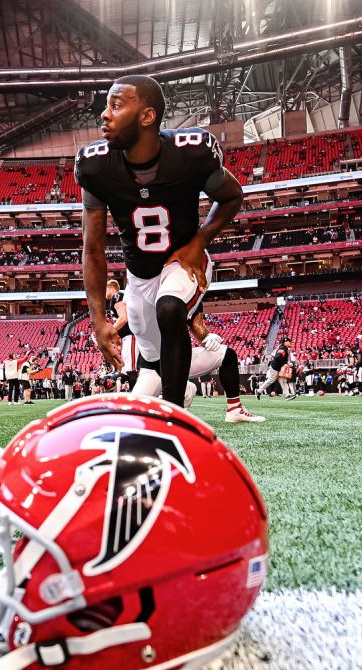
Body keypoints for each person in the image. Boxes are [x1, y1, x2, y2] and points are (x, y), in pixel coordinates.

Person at [78, 74, 245, 407]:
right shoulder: (95, 166)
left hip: (181, 263)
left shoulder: (189, 153)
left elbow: (232, 195)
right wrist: (98, 320)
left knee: (170, 309)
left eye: (117, 105)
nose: (104, 114)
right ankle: (182, 391)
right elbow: (93, 249)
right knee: (152, 364)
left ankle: (175, 418)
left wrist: (199, 242)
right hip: (139, 277)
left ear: (146, 116)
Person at [134, 310, 265, 422]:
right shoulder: (149, 289)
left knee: (228, 354)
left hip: (180, 359)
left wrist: (207, 336)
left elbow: (196, 323)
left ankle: (234, 409)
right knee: (133, 415)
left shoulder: (190, 290)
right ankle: (185, 389)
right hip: (152, 364)